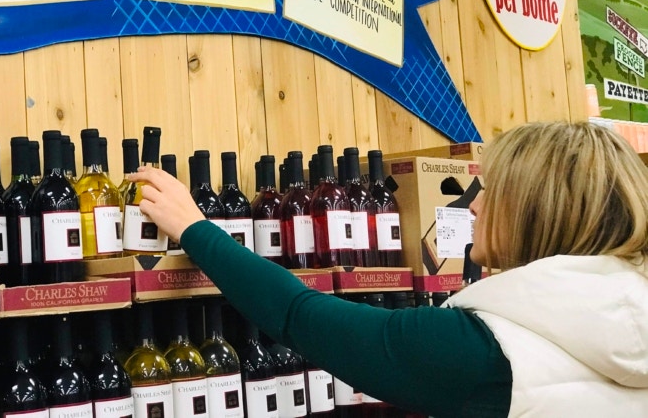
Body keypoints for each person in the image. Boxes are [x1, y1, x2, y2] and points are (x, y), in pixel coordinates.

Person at [128, 121, 648, 417]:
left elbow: (300, 315)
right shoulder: (627, 318)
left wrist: (195, 228)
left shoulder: (484, 349)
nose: (474, 207)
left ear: (538, 210)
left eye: (494, 190)